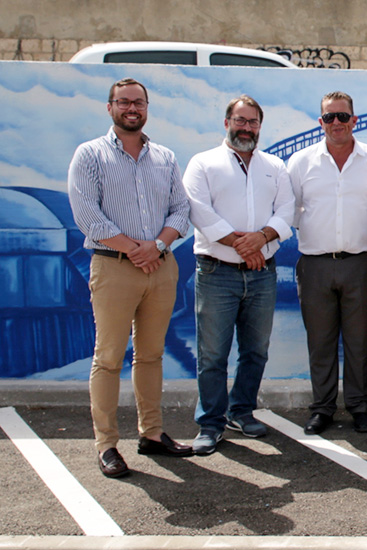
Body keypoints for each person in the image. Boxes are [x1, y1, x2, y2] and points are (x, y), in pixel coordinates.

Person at [67, 78, 194, 478]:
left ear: (147, 107)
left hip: (159, 266)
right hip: (114, 267)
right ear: (110, 108)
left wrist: (156, 246)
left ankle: (151, 434)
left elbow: (181, 210)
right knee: (108, 358)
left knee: (151, 355)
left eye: (138, 102)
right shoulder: (89, 155)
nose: (131, 108)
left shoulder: (165, 157)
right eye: (123, 102)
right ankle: (106, 444)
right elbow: (87, 215)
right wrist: (135, 248)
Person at [183, 95, 294, 455]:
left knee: (255, 351)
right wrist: (242, 245)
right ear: (227, 122)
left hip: (262, 273)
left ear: (260, 126)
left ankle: (241, 411)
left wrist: (261, 239)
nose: (246, 128)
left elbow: (288, 209)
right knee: (212, 354)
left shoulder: (274, 166)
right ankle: (210, 423)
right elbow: (198, 210)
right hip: (217, 271)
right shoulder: (203, 164)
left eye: (253, 122)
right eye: (240, 120)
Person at [288, 91, 367, 435]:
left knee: (359, 340)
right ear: (320, 122)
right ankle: (322, 409)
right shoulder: (301, 162)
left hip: (359, 263)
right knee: (320, 342)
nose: (337, 123)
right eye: (330, 117)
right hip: (315, 264)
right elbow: (289, 211)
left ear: (355, 120)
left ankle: (360, 407)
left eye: (343, 116)